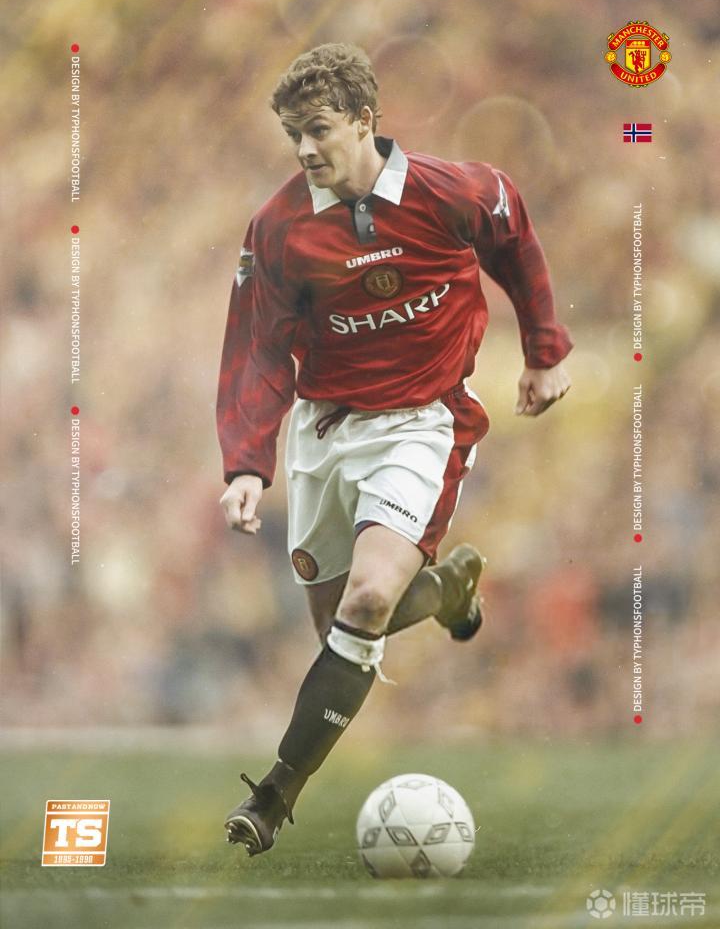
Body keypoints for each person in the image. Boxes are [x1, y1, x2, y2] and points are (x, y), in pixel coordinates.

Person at [216, 43, 572, 856]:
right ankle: (445, 591)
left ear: (364, 121)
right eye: (293, 134)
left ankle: (273, 795)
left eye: (318, 129)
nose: (304, 148)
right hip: (323, 432)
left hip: (422, 422)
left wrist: (544, 349)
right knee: (339, 627)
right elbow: (256, 351)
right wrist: (246, 462)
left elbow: (514, 236)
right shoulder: (278, 229)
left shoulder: (454, 192)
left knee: (370, 599)